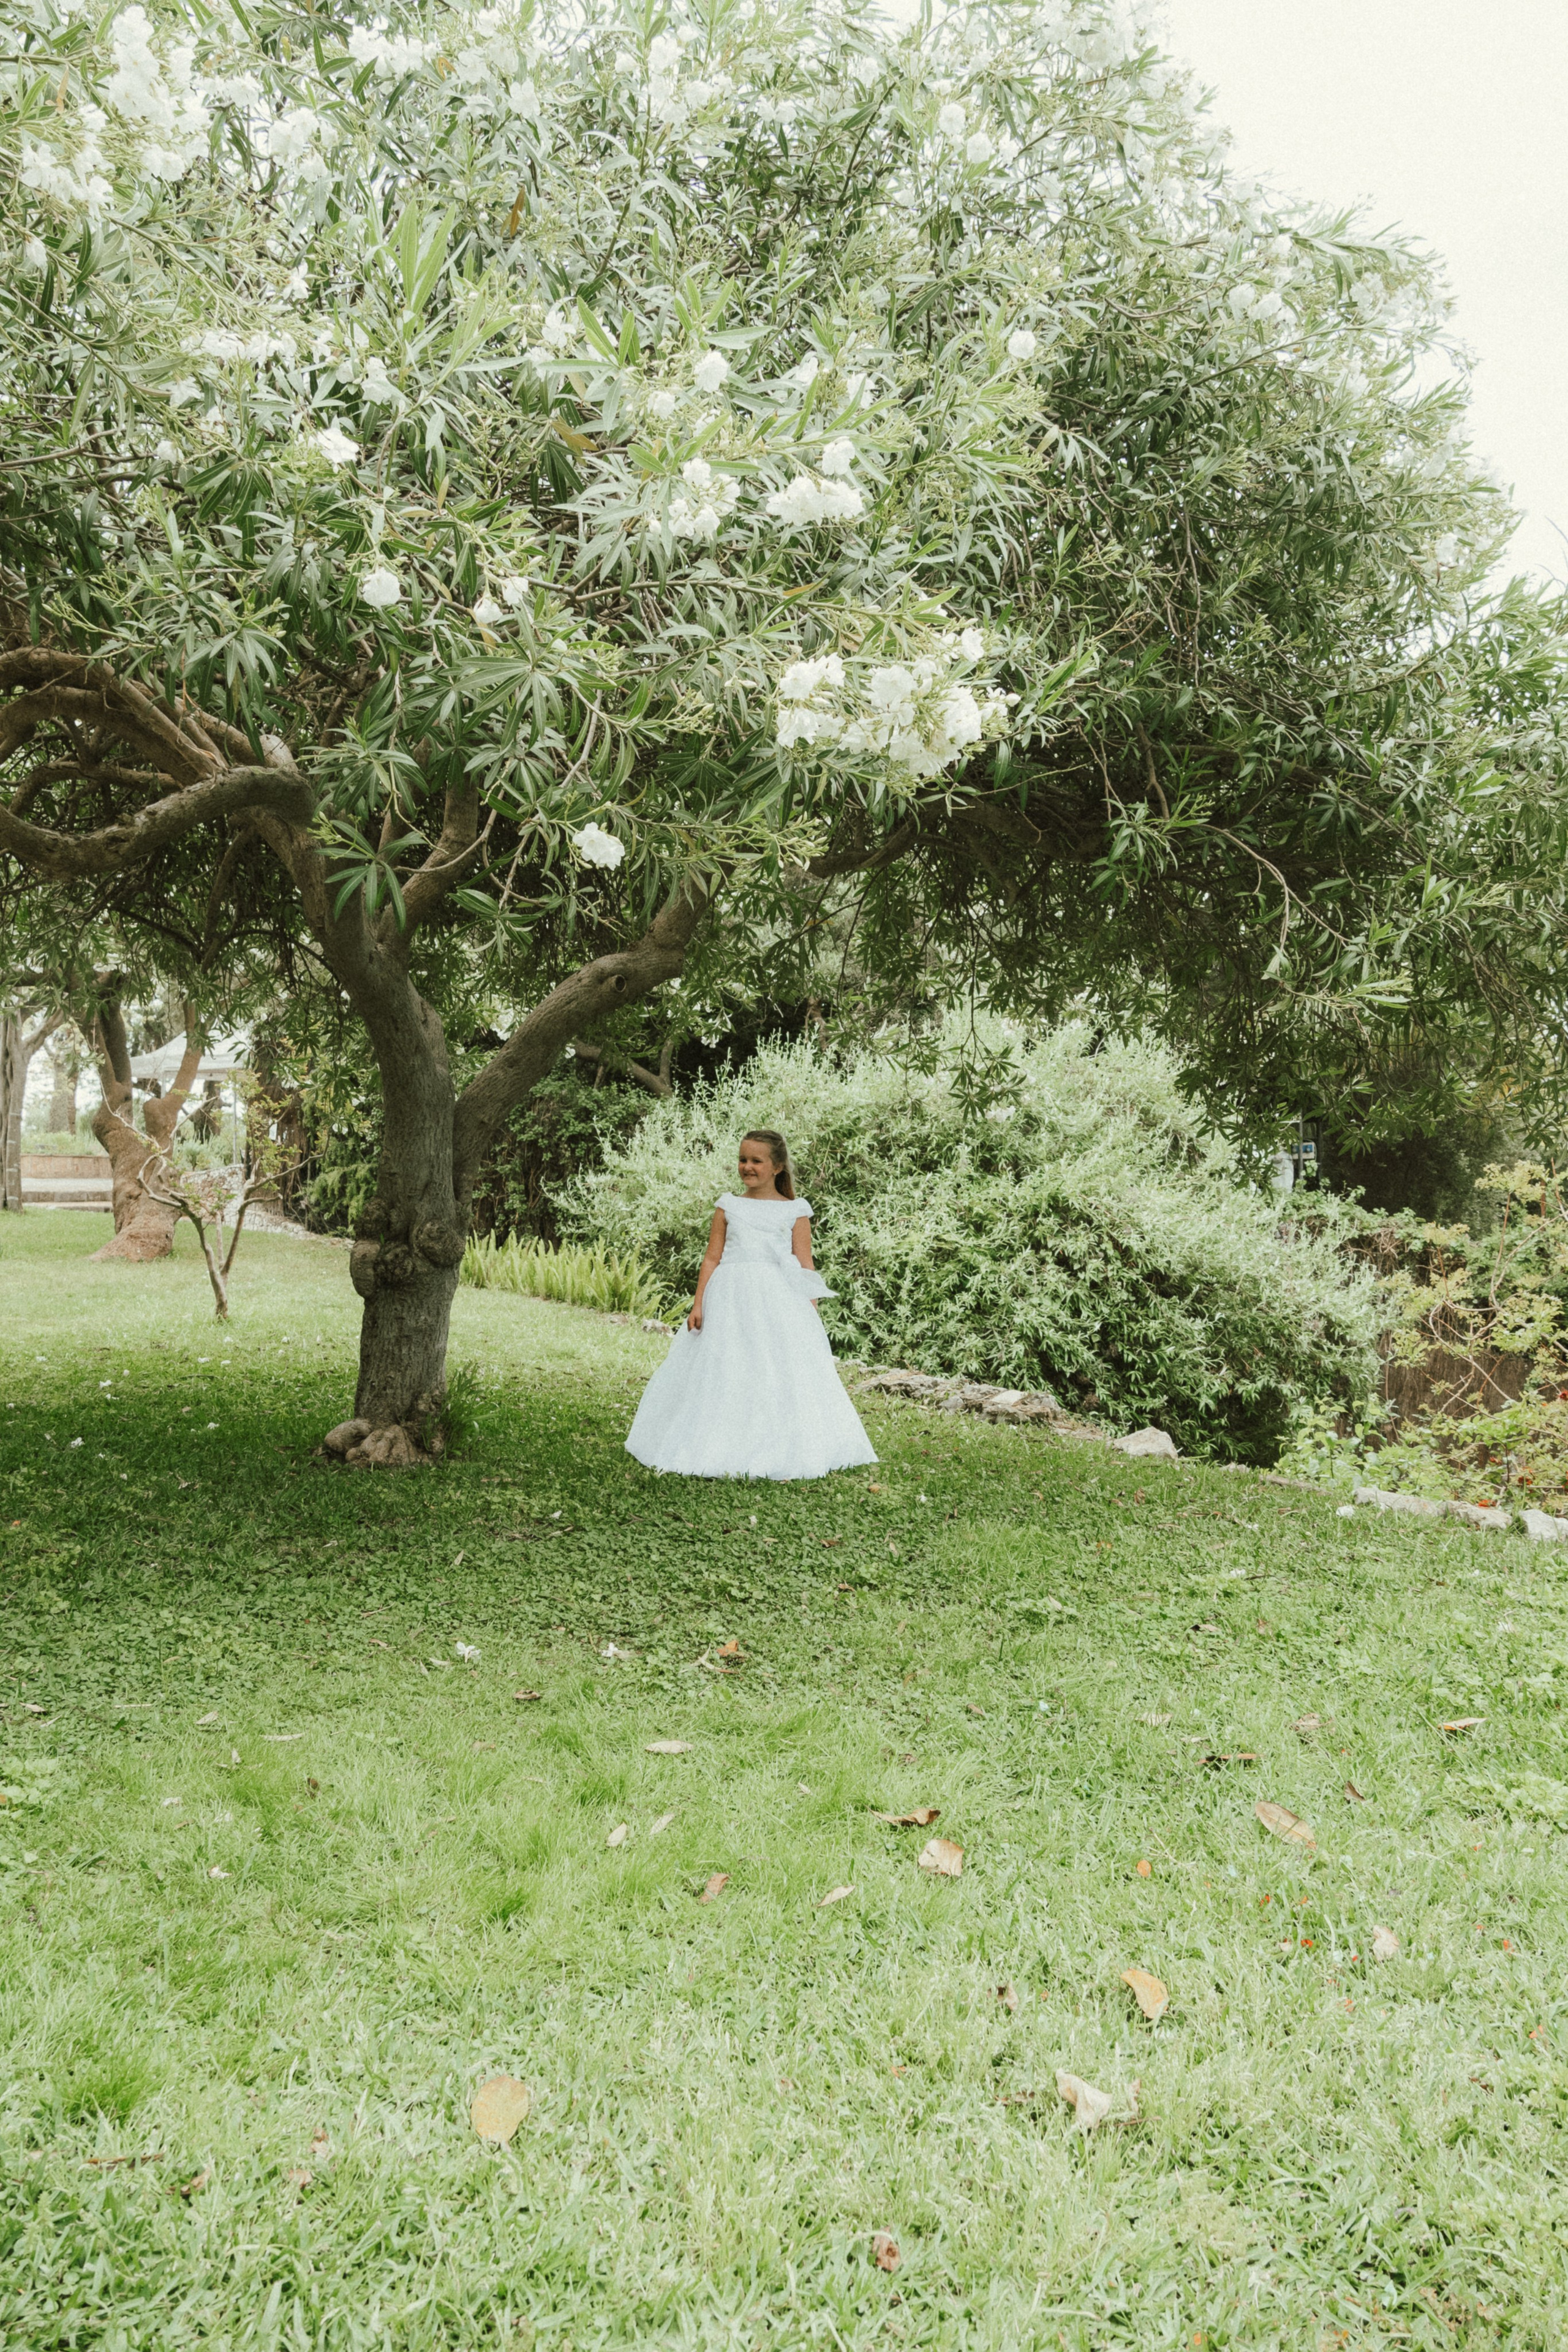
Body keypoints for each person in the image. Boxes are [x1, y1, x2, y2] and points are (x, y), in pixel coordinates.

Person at [625, 1128, 878, 1480]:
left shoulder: (795, 1211)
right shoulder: (728, 1205)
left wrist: (811, 1308)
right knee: (725, 1366)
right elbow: (712, 1258)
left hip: (779, 1301)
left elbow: (805, 1263)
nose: (747, 1167)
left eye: (756, 1161)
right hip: (729, 1298)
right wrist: (698, 1304)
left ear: (777, 1167)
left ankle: (777, 1443)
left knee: (776, 1370)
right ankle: (715, 1439)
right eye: (743, 1160)